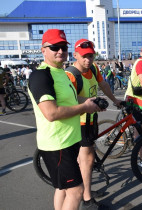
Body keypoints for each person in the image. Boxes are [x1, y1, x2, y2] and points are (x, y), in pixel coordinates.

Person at [28, 29, 101, 210]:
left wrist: (90, 102)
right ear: (43, 49)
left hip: (69, 140)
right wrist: (85, 108)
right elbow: (51, 113)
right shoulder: (41, 75)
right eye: (54, 47)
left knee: (62, 189)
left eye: (63, 47)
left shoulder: (60, 72)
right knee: (76, 191)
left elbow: (72, 100)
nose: (60, 51)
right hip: (57, 144)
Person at [66, 38, 121, 210]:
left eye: (90, 55)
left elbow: (103, 84)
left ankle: (85, 189)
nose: (88, 59)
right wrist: (90, 102)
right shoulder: (71, 74)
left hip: (92, 120)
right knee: (87, 159)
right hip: (80, 123)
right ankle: (87, 199)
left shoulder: (94, 68)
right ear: (75, 55)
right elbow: (69, 99)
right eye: (84, 56)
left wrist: (115, 100)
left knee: (87, 158)